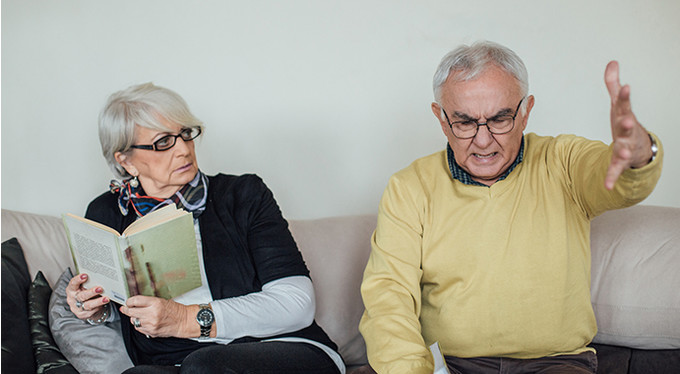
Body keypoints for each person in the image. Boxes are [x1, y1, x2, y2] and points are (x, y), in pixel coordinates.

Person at [359, 40, 663, 374]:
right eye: (464, 123)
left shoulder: (562, 162)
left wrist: (637, 152)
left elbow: (618, 179)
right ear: (441, 119)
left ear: (525, 112)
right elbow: (389, 297)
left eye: (500, 119)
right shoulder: (410, 187)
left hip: (555, 364)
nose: (484, 139)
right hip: (450, 364)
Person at [64, 82, 345, 374]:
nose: (184, 150)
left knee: (204, 366)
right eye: (163, 142)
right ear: (126, 161)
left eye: (185, 134)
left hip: (280, 348)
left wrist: (185, 319)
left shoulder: (243, 195)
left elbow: (297, 304)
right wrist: (93, 308)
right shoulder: (106, 212)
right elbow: (119, 304)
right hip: (173, 361)